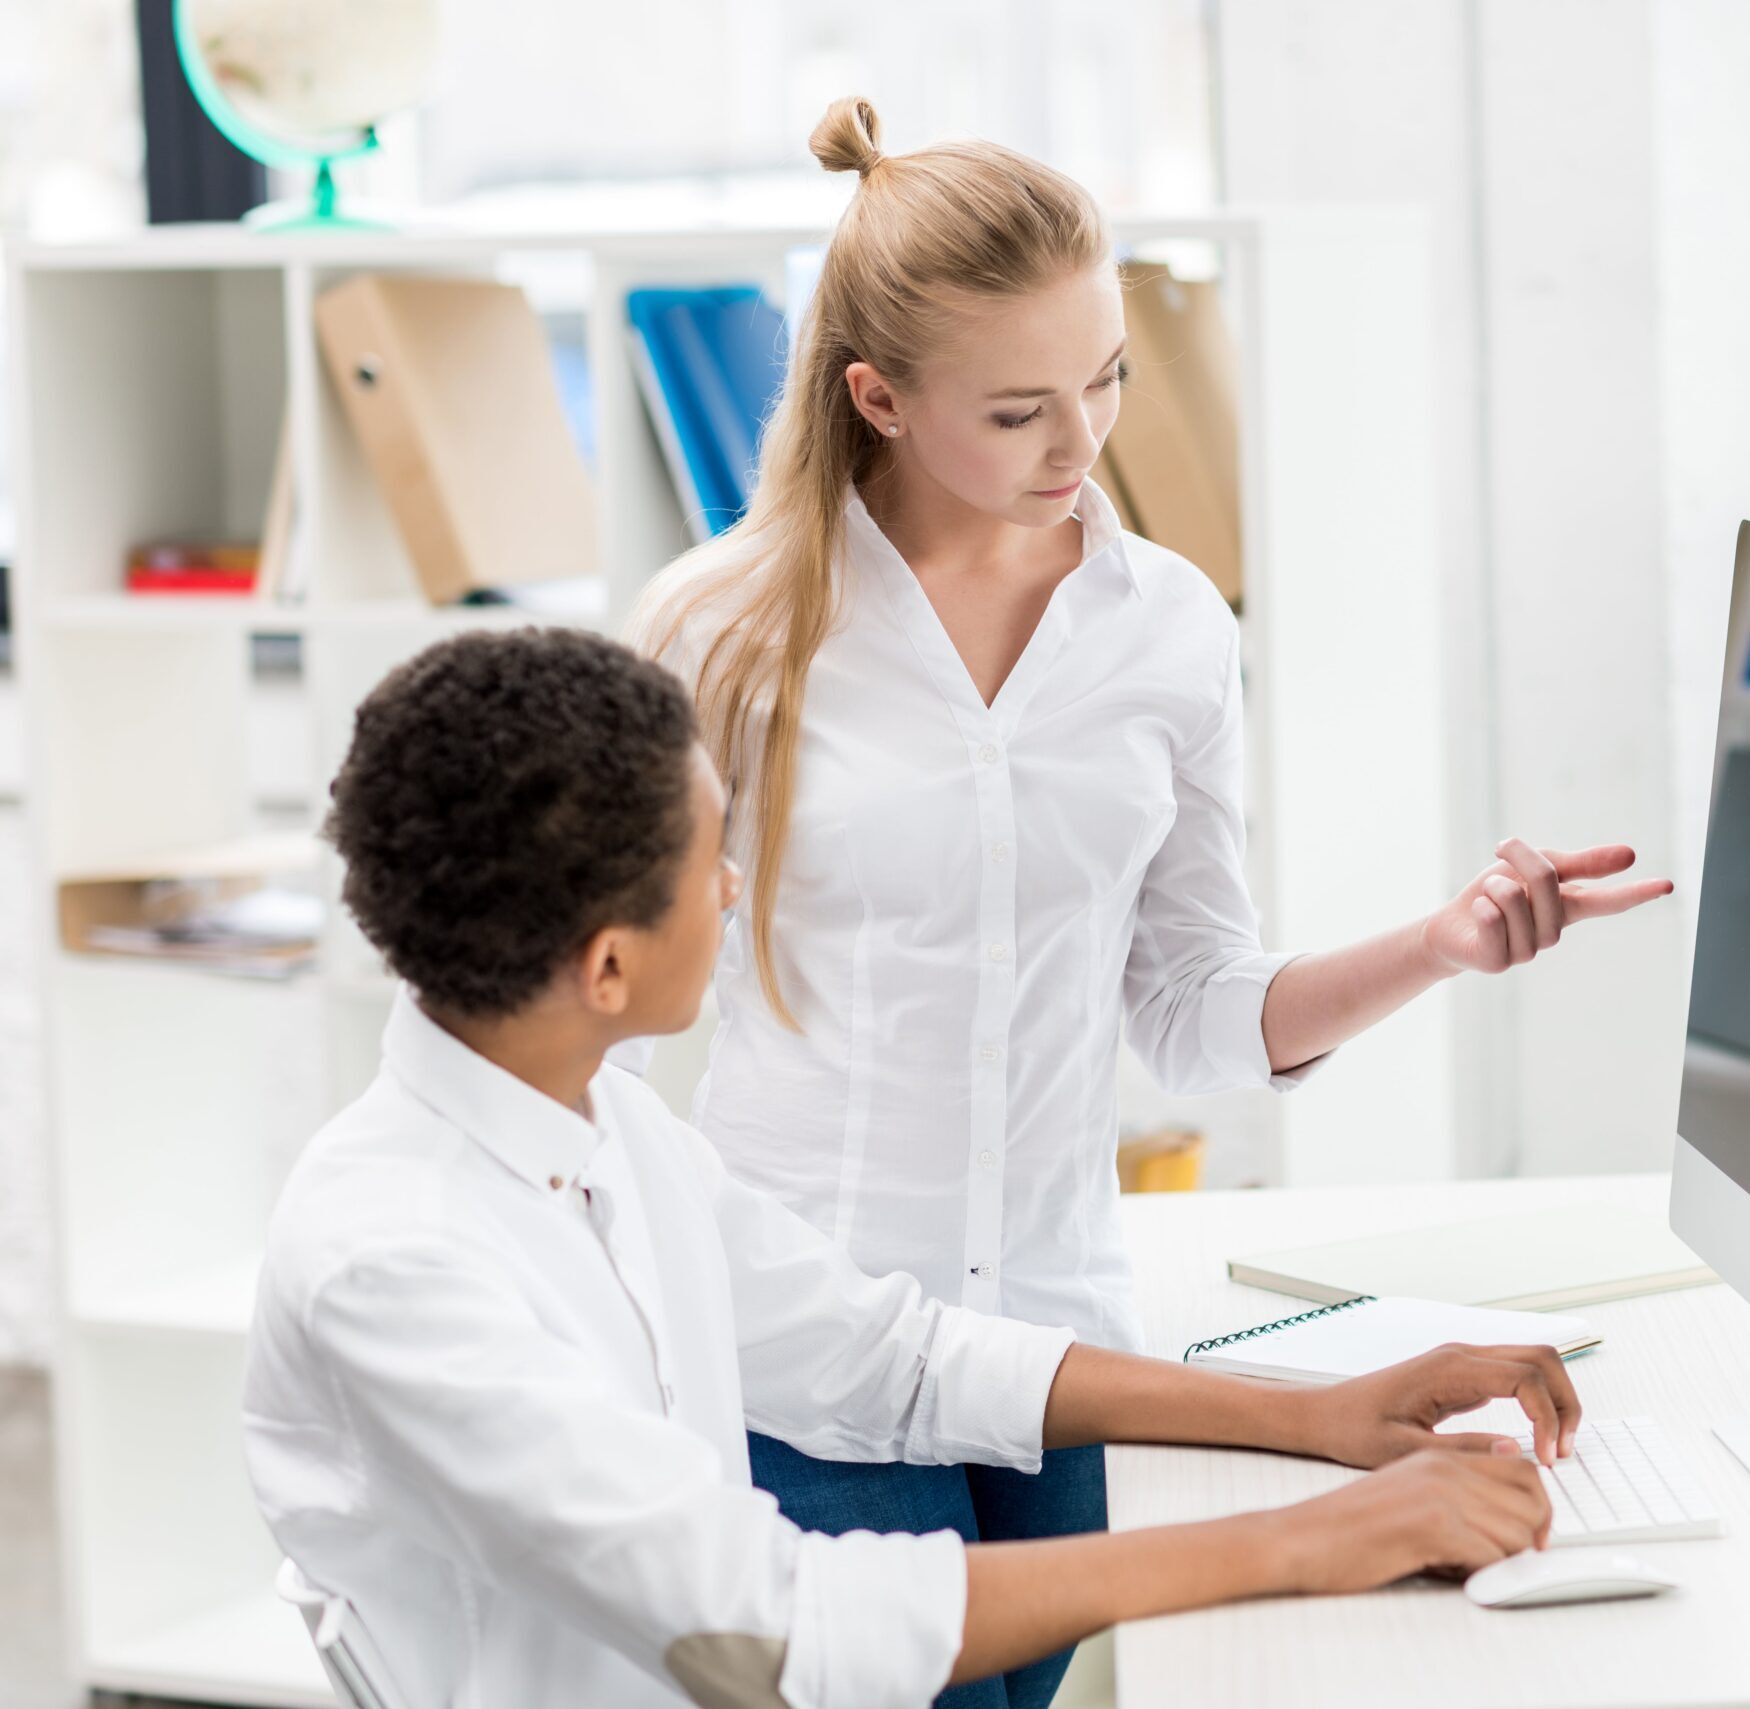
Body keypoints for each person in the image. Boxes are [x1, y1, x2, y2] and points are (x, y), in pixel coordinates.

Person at [627, 96, 1673, 1707]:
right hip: (802, 1356)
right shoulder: (716, 631)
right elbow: (606, 1029)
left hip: (1061, 1352)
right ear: (877, 396)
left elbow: (1188, 1007)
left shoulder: (1163, 628)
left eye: (1106, 376)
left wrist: (1439, 944)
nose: (1083, 441)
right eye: (1020, 409)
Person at [243, 627, 1576, 1709]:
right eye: (713, 858)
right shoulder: (393, 1258)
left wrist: (1317, 1414)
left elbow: (889, 1359)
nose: (732, 889)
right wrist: (1304, 1542)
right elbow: (760, 1624)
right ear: (605, 965)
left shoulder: (611, 1126)